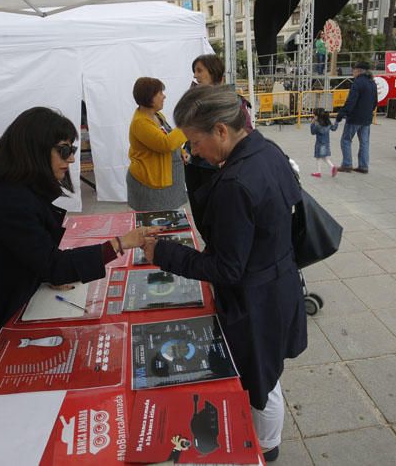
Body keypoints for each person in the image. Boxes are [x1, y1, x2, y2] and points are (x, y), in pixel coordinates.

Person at [0, 107, 156, 383]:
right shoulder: (6, 200)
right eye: (64, 150)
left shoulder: (14, 187)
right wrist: (120, 243)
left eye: (72, 150)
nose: (71, 159)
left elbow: (37, 256)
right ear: (34, 149)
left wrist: (47, 270)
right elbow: (55, 266)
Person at [142, 85, 307, 463]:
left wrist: (164, 253)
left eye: (196, 142)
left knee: (259, 380)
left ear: (221, 130)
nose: (194, 151)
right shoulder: (268, 151)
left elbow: (226, 268)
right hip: (279, 282)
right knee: (269, 372)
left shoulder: (236, 182)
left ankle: (265, 449)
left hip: (256, 298)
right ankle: (268, 440)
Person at [184, 54, 253, 232]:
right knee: (199, 212)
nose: (196, 75)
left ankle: (217, 249)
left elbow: (246, 132)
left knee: (218, 214)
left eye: (200, 70)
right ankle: (209, 246)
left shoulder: (232, 101)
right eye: (194, 72)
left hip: (218, 168)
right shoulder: (192, 100)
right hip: (193, 164)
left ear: (214, 73)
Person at [126, 77, 188, 211]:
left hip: (165, 178)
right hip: (150, 182)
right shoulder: (141, 123)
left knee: (167, 219)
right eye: (160, 93)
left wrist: (181, 152)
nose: (164, 96)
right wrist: (186, 125)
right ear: (149, 97)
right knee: (154, 221)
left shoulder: (157, 115)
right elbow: (165, 144)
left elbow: (168, 135)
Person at [336, 61, 378, 174]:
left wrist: (341, 114)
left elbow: (351, 101)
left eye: (353, 70)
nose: (352, 72)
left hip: (355, 117)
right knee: (364, 142)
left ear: (359, 70)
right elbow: (375, 102)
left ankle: (347, 164)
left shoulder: (357, 83)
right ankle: (363, 166)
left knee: (346, 140)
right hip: (367, 118)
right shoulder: (372, 83)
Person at [310, 108, 338, 177]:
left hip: (319, 144)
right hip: (326, 143)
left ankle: (331, 167)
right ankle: (319, 172)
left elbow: (312, 132)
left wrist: (312, 123)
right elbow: (334, 128)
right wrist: (337, 122)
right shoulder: (328, 123)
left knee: (320, 157)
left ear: (317, 116)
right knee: (322, 157)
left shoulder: (317, 125)